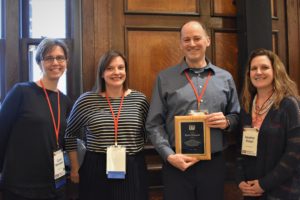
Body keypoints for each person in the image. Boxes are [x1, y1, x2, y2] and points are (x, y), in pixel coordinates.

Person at [146, 20, 240, 200]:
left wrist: (227, 122)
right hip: (177, 163)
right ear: (180, 44)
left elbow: (236, 116)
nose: (192, 44)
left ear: (208, 40)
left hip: (214, 163)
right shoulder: (164, 78)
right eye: (186, 39)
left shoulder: (225, 78)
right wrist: (169, 156)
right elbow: (153, 124)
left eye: (197, 38)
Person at [65, 50, 149, 200]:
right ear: (102, 73)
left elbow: (147, 132)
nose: (116, 72)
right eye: (110, 68)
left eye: (120, 67)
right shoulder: (86, 100)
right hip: (95, 167)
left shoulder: (140, 100)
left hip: (132, 166)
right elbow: (69, 134)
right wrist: (75, 168)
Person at [0, 38, 72, 200]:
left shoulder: (66, 101)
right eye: (49, 58)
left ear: (66, 62)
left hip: (54, 184)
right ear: (40, 63)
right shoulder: (21, 92)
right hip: (20, 186)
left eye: (60, 58)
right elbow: (1, 133)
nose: (55, 62)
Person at [236, 48, 300, 200]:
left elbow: (294, 153)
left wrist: (264, 184)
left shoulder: (289, 105)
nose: (258, 72)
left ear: (275, 71)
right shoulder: (246, 106)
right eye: (254, 68)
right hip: (252, 190)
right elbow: (241, 149)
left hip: (283, 190)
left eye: (264, 67)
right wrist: (240, 180)